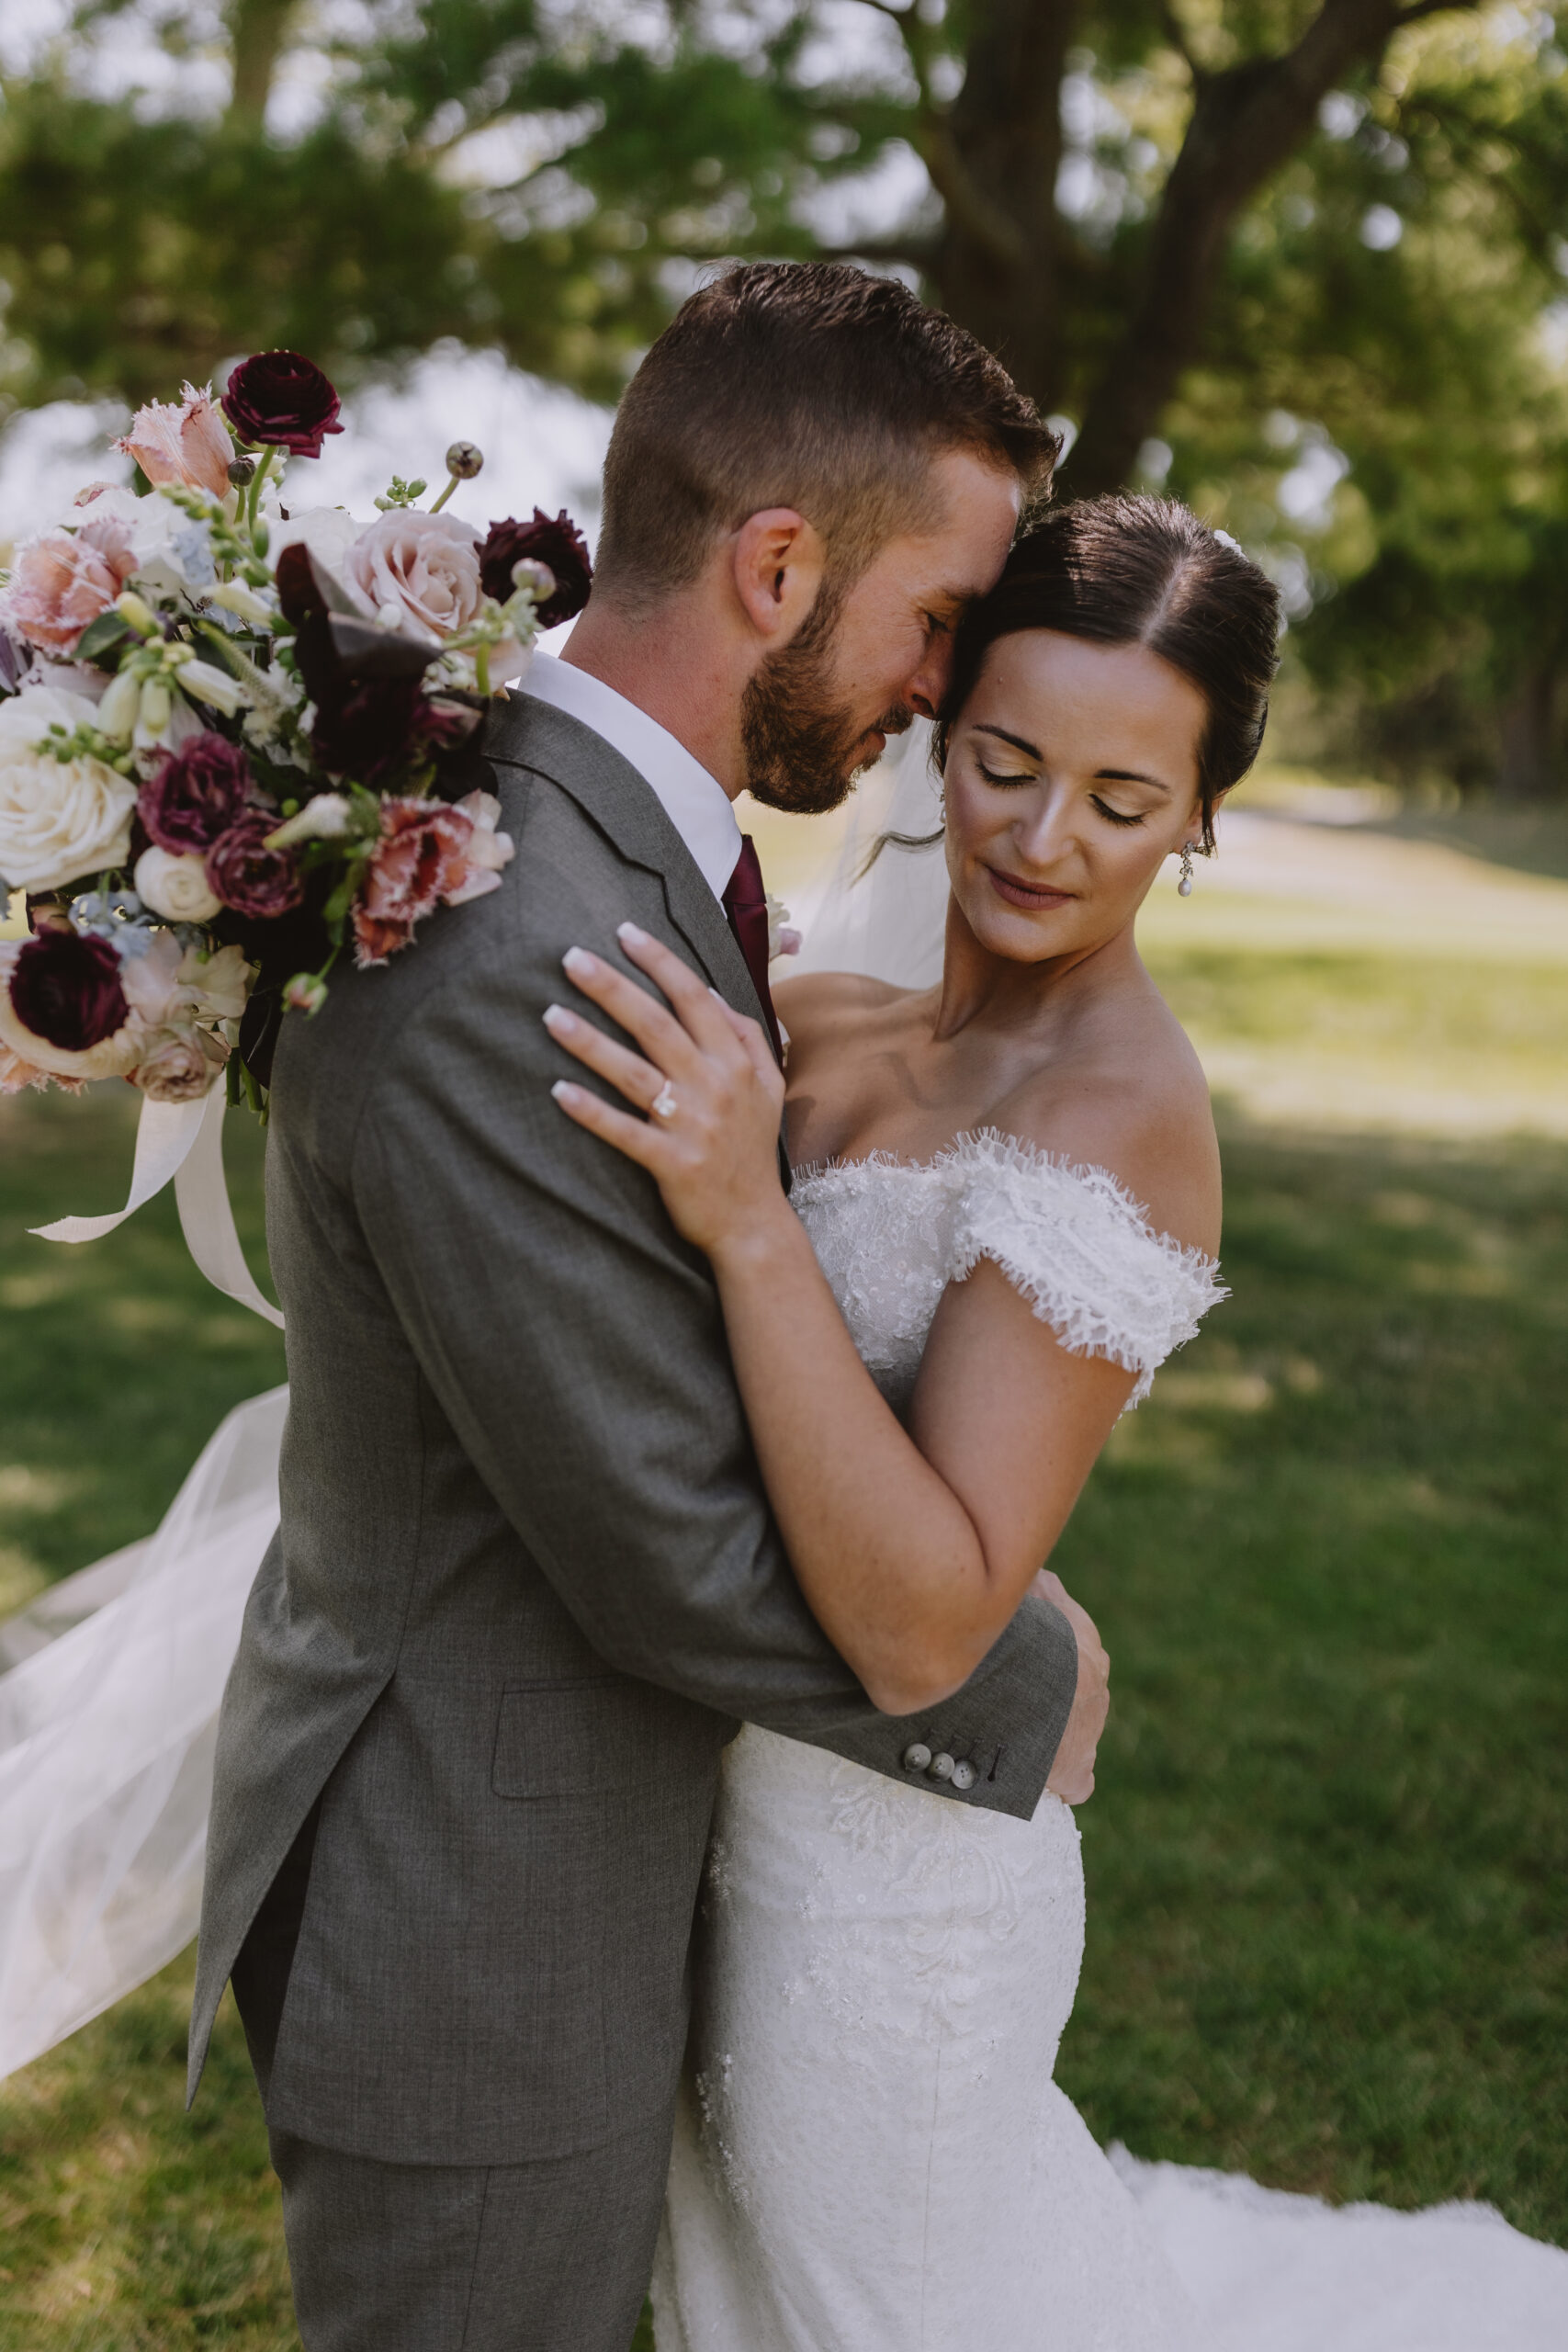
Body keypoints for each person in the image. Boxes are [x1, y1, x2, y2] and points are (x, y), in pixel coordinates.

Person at [187, 263, 1108, 2351]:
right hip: (464, 1918)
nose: (945, 695)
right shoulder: (519, 939)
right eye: (936, 624)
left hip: (564, 1863)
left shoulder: (597, 842)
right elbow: (664, 1546)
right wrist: (1012, 1680)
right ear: (779, 566)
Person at [547, 492, 1258, 2346]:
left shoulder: (1117, 1113)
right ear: (940, 723)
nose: (1035, 838)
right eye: (1006, 762)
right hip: (702, 1814)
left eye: (1119, 801)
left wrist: (745, 1218)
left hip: (895, 1909)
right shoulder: (820, 1016)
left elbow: (925, 1615)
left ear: (1198, 812)